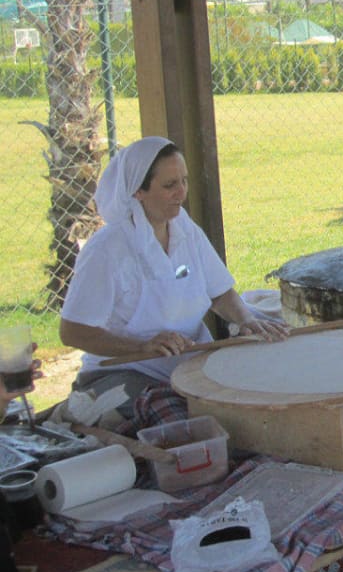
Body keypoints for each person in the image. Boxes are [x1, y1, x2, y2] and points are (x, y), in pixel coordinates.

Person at [60, 137, 288, 418]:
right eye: (169, 185)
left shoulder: (184, 228)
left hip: (188, 366)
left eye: (184, 181)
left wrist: (246, 320)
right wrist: (142, 346)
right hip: (126, 372)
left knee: (263, 392)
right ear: (138, 191)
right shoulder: (108, 249)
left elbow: (220, 292)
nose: (181, 192)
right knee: (182, 418)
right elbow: (72, 331)